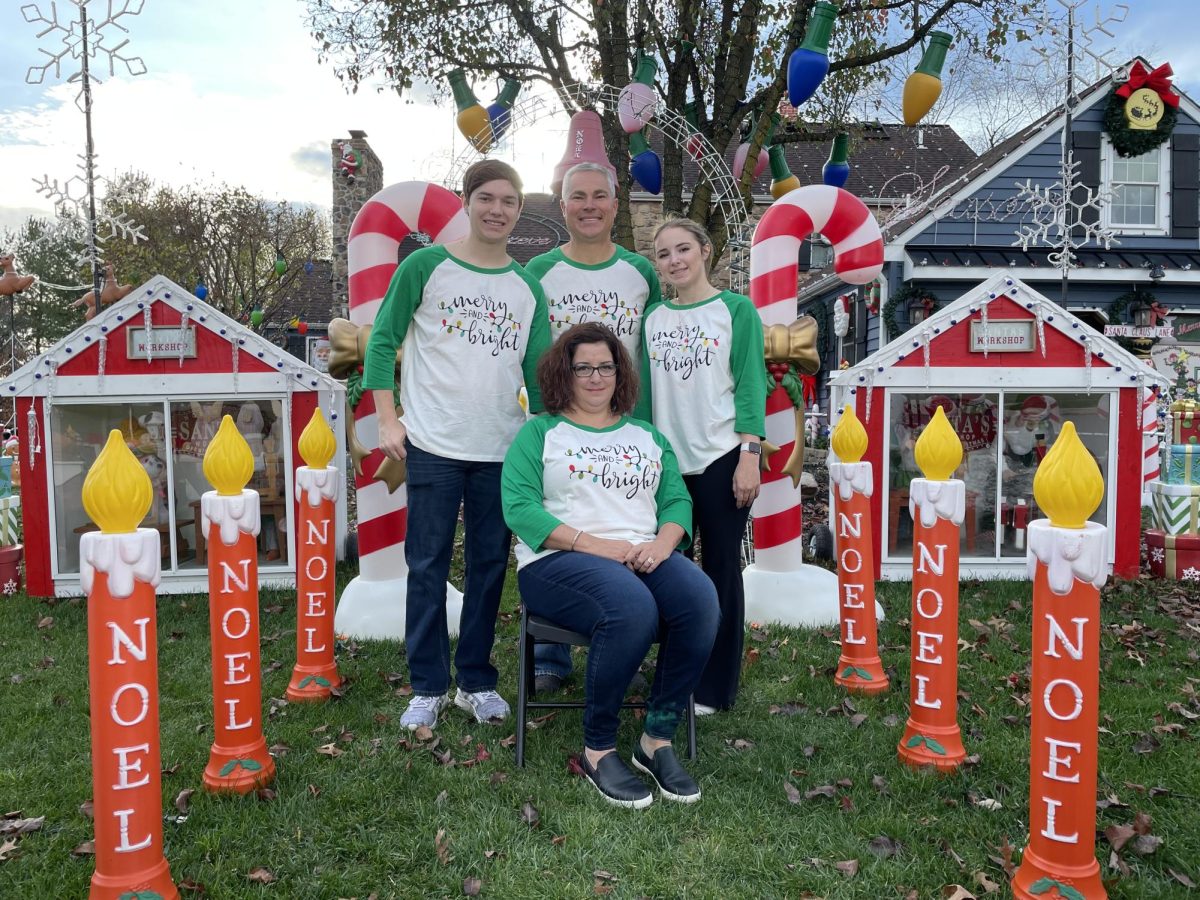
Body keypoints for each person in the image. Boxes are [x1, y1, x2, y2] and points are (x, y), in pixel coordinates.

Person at [364, 159, 551, 731]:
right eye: (487, 198)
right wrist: (388, 420)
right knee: (427, 564)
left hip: (502, 450)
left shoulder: (527, 288)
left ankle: (474, 680)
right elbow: (381, 343)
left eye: (509, 202)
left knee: (490, 566)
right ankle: (427, 685)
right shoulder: (427, 266)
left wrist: (548, 441)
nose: (498, 210)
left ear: (520, 211)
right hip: (433, 445)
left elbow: (538, 375)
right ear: (467, 203)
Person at [502, 323, 718, 808]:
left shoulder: (645, 435)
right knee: (631, 608)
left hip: (643, 553)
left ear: (619, 374)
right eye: (584, 368)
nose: (596, 377)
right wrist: (597, 545)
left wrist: (664, 545)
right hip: (558, 560)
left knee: (700, 600)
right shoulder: (540, 433)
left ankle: (655, 740)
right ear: (566, 373)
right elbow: (519, 507)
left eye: (606, 366)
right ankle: (598, 748)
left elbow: (676, 500)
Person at [522, 161, 662, 694]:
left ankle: (634, 641)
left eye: (599, 195)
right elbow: (531, 347)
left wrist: (643, 421)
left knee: (632, 524)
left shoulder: (640, 273)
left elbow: (648, 351)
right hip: (560, 419)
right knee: (563, 524)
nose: (588, 205)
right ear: (562, 207)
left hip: (623, 419)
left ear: (614, 204)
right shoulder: (539, 272)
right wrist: (542, 415)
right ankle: (551, 658)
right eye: (576, 196)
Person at [642, 218, 768, 715]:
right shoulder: (653, 318)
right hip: (666, 466)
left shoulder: (735, 310)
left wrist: (749, 456)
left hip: (721, 459)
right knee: (666, 569)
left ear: (705, 251)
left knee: (719, 571)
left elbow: (750, 384)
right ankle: (673, 669)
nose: (674, 260)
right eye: (664, 254)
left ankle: (714, 689)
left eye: (682, 249)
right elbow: (645, 399)